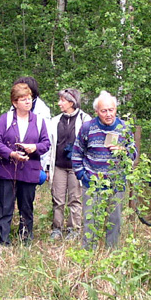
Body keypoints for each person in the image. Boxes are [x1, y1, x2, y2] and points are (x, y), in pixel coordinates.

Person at [71, 91, 137, 249]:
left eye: (111, 110)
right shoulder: (87, 128)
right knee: (91, 221)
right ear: (96, 112)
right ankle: (89, 255)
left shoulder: (124, 128)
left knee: (115, 221)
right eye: (104, 111)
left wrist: (122, 151)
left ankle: (111, 254)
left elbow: (133, 153)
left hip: (116, 183)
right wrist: (83, 176)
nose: (108, 114)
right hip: (93, 183)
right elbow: (76, 153)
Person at [0, 83, 51, 245]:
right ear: (14, 102)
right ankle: (3, 241)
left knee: (26, 207)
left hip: (29, 170)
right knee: (5, 207)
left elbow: (46, 143)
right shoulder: (6, 118)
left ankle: (25, 239)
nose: (27, 102)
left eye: (29, 99)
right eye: (23, 99)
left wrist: (34, 148)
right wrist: (11, 153)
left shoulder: (39, 121)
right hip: (7, 169)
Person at [46, 88, 91, 240]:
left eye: (62, 100)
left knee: (75, 198)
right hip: (58, 165)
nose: (59, 103)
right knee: (57, 198)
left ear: (71, 102)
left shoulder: (85, 119)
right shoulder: (55, 121)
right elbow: (49, 145)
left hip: (76, 167)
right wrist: (46, 167)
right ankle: (56, 228)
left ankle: (74, 229)